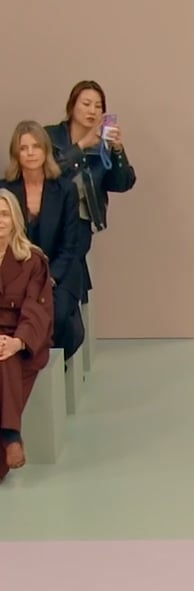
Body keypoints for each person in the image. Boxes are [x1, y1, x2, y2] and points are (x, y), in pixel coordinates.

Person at [46, 80, 136, 304]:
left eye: (98, 106)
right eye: (86, 104)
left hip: (80, 221)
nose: (92, 111)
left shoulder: (102, 145)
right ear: (72, 106)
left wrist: (117, 150)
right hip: (48, 215)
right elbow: (48, 171)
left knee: (71, 268)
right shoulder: (50, 136)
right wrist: (81, 146)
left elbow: (122, 183)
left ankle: (69, 307)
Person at [1, 122, 84, 360]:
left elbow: (69, 246)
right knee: (13, 316)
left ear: (46, 150)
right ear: (16, 153)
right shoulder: (5, 189)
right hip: (17, 273)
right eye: (23, 148)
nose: (30, 153)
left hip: (59, 273)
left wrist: (48, 278)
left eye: (36, 146)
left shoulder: (66, 190)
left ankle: (49, 366)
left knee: (54, 316)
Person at [0, 190, 55, 481]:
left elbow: (36, 309)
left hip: (23, 339)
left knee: (6, 357)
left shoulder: (32, 260)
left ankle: (10, 436)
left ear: (15, 220)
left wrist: (18, 341)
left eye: (4, 214)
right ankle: (11, 436)